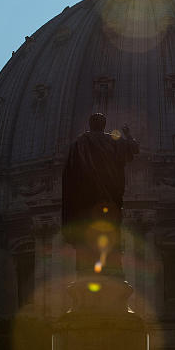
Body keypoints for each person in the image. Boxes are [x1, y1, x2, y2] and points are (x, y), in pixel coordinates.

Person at [61, 113, 138, 276]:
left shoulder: (79, 143)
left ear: (90, 125)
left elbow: (70, 171)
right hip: (109, 196)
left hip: (86, 197)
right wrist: (128, 134)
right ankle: (112, 267)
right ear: (104, 125)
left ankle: (87, 267)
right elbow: (133, 148)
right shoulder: (113, 141)